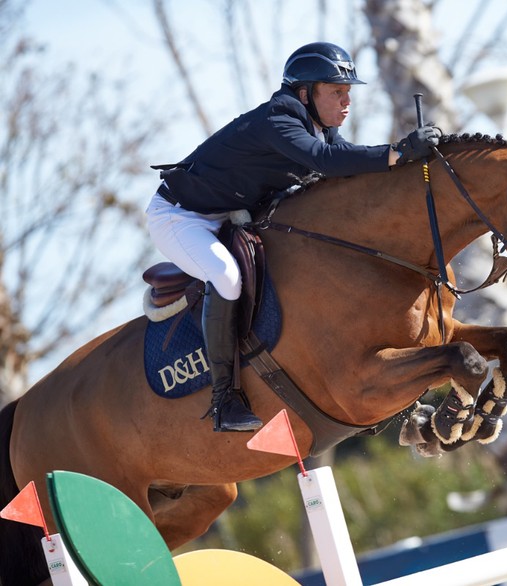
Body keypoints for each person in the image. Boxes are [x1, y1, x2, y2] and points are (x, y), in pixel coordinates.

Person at [146, 42, 441, 432]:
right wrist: (395, 153)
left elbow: (347, 162)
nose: (346, 101)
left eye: (348, 91)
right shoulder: (278, 118)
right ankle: (224, 399)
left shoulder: (320, 125)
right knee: (226, 277)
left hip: (232, 216)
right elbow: (324, 161)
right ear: (305, 93)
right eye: (337, 91)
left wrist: (405, 161)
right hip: (181, 217)